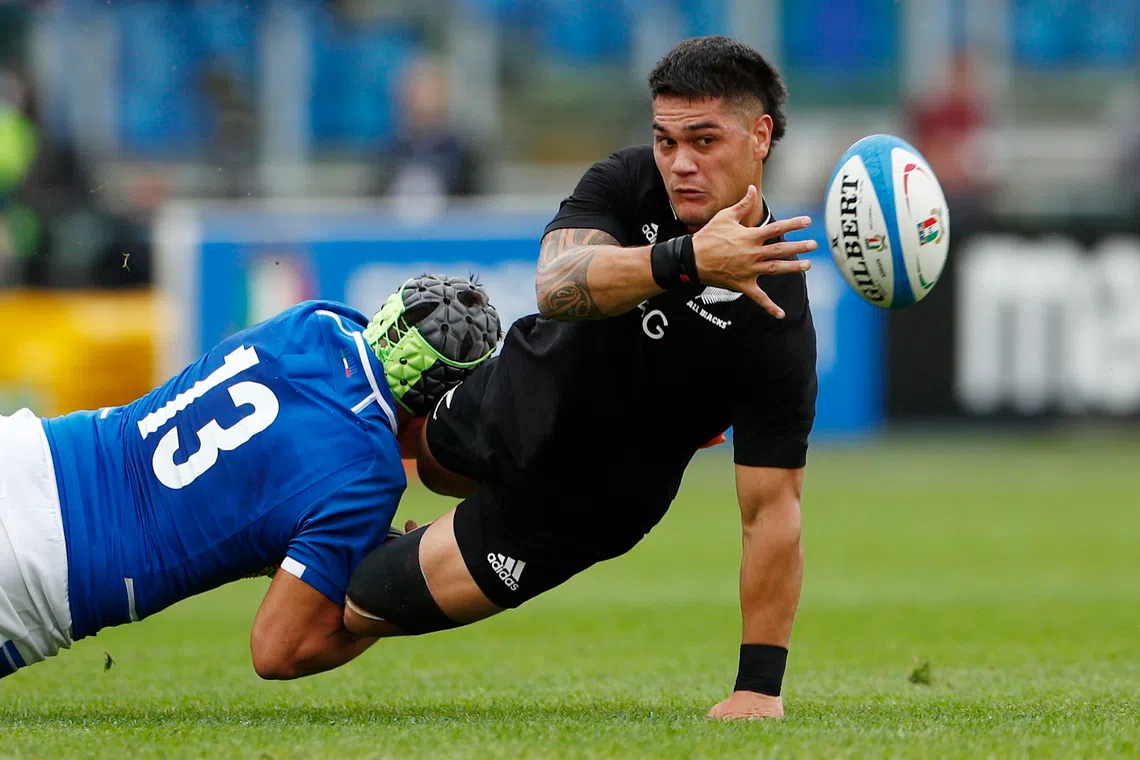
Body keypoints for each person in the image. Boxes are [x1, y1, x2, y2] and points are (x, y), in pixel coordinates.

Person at [342, 36, 818, 721]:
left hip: (571, 510)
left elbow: (771, 512)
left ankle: (369, 562)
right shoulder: (629, 182)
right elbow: (557, 285)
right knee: (419, 460)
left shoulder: (777, 317)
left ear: (759, 136)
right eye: (665, 140)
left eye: (704, 140)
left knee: (337, 615)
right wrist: (687, 259)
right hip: (505, 403)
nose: (680, 163)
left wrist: (759, 688)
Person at [0, 274, 501, 681]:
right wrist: (403, 591)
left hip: (29, 448)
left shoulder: (314, 320)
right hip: (39, 571)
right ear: (440, 404)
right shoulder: (368, 472)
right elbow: (278, 649)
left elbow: (257, 475)